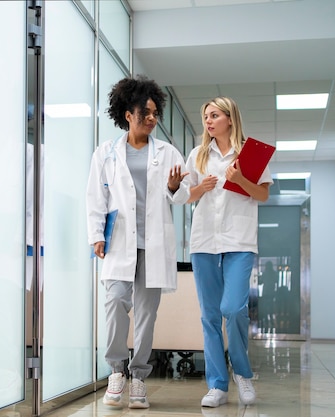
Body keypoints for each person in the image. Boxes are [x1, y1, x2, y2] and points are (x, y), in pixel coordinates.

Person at [86, 75, 189, 409]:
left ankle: (139, 378)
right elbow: (95, 197)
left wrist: (174, 187)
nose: (151, 118)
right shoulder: (106, 153)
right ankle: (116, 371)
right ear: (127, 114)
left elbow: (183, 194)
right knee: (115, 303)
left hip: (154, 244)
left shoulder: (168, 152)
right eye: (145, 111)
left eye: (155, 112)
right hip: (119, 242)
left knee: (147, 314)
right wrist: (96, 235)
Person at [184, 96, 272, 407]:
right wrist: (200, 188)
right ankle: (217, 385)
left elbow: (262, 194)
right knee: (209, 316)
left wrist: (241, 179)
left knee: (234, 309)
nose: (208, 121)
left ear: (230, 119)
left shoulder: (250, 153)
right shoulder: (198, 155)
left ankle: (242, 374)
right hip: (204, 241)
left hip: (239, 241)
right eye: (205, 116)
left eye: (215, 115)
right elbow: (185, 196)